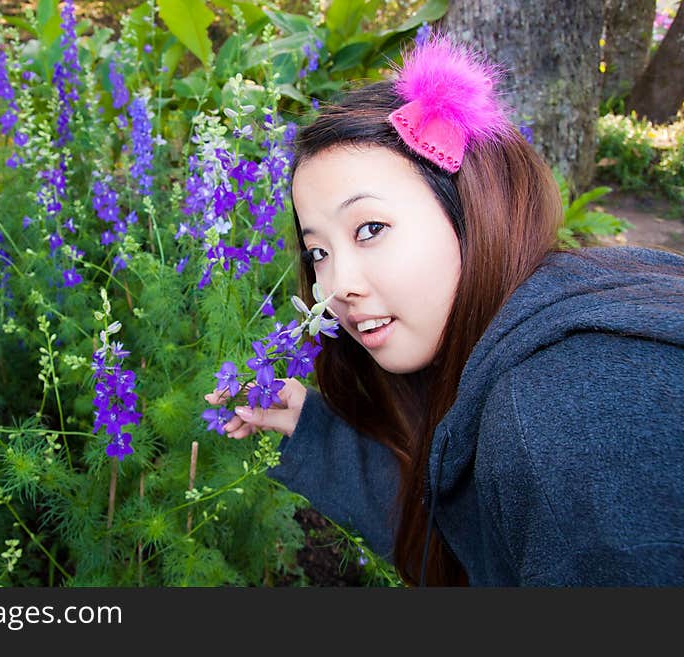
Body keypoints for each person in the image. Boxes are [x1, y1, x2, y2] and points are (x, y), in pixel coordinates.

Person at [204, 36, 684, 586]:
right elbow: (481, 539)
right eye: (319, 252)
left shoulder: (565, 410)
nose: (333, 288)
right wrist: (315, 431)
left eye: (370, 229)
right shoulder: (561, 312)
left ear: (471, 209)